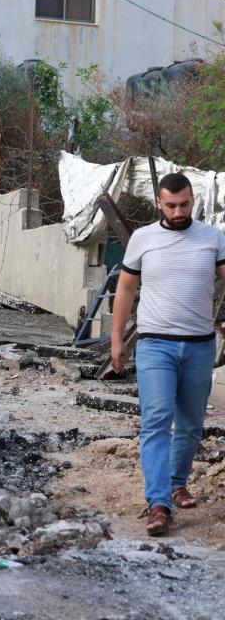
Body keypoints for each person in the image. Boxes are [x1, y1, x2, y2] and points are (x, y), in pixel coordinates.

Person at [111, 172, 225, 537]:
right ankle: (159, 503)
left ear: (194, 202)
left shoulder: (213, 238)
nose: (178, 211)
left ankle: (177, 482)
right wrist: (117, 340)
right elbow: (125, 289)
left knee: (191, 424)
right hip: (155, 344)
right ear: (159, 203)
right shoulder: (143, 239)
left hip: (199, 345)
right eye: (171, 205)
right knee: (156, 420)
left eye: (185, 204)